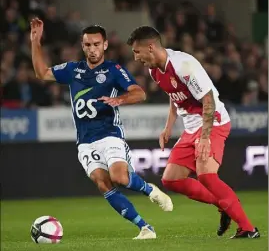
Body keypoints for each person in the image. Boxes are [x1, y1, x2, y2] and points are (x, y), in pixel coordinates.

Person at [30, 18, 173, 240]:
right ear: (82, 45)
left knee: (120, 178)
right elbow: (41, 73)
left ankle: (150, 190)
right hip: (85, 141)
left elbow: (139, 93)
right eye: (88, 45)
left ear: (104, 45)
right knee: (102, 183)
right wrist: (35, 41)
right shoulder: (72, 70)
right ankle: (145, 228)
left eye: (97, 44)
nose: (92, 49)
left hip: (110, 135)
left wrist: (121, 99)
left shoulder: (114, 70)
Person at [127, 26, 260, 239]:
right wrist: (168, 126)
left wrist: (205, 137)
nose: (135, 57)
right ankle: (224, 204)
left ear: (150, 47)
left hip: (213, 121)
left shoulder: (184, 65)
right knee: (171, 179)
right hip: (191, 127)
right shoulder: (154, 70)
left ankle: (248, 228)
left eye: (137, 51)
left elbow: (208, 100)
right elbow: (174, 95)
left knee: (206, 175)